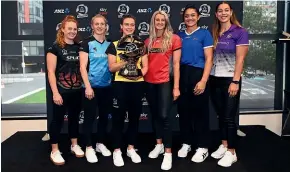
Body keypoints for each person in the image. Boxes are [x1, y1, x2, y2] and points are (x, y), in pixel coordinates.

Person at [210, 1, 249, 167]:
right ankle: (224, 144)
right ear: (216, 14)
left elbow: (240, 58)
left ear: (231, 12)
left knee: (229, 117)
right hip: (214, 78)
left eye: (226, 10)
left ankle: (232, 152)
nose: (223, 13)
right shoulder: (215, 32)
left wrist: (235, 80)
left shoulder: (240, 32)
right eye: (220, 11)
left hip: (229, 79)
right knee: (221, 115)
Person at [106, 14, 148, 167]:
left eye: (132, 25)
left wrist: (137, 75)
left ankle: (131, 148)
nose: (129, 27)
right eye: (126, 24)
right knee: (118, 119)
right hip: (120, 85)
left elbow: (145, 67)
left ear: (134, 27)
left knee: (134, 119)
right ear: (121, 27)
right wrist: (126, 59)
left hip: (137, 85)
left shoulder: (141, 44)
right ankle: (117, 150)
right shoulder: (114, 45)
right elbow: (111, 67)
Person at [145, 10, 182, 171]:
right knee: (155, 115)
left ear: (166, 22)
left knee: (166, 117)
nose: (159, 22)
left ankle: (168, 153)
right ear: (153, 22)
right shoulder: (148, 42)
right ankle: (158, 144)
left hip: (165, 82)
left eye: (162, 20)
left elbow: (176, 65)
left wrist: (176, 87)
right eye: (157, 20)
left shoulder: (174, 39)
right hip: (149, 83)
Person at [177, 4, 214, 163]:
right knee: (184, 112)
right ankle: (186, 143)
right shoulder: (179, 35)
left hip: (198, 75)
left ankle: (202, 146)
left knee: (200, 113)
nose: (190, 18)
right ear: (183, 18)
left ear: (198, 17)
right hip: (182, 75)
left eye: (193, 15)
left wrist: (203, 80)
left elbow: (209, 59)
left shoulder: (205, 34)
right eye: (187, 16)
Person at [47, 15, 84, 166]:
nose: (72, 31)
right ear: (62, 29)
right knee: (57, 121)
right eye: (69, 28)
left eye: (74, 29)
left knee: (74, 119)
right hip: (60, 92)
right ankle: (54, 150)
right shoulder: (54, 48)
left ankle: (74, 144)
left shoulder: (78, 47)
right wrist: (55, 92)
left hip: (76, 91)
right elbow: (50, 72)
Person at [79, 14, 112, 163]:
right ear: (92, 26)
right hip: (91, 88)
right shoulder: (86, 43)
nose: (99, 26)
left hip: (107, 87)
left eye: (102, 24)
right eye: (96, 24)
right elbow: (82, 67)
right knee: (89, 118)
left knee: (104, 118)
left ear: (106, 26)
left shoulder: (110, 44)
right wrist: (87, 87)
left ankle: (100, 144)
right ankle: (88, 147)